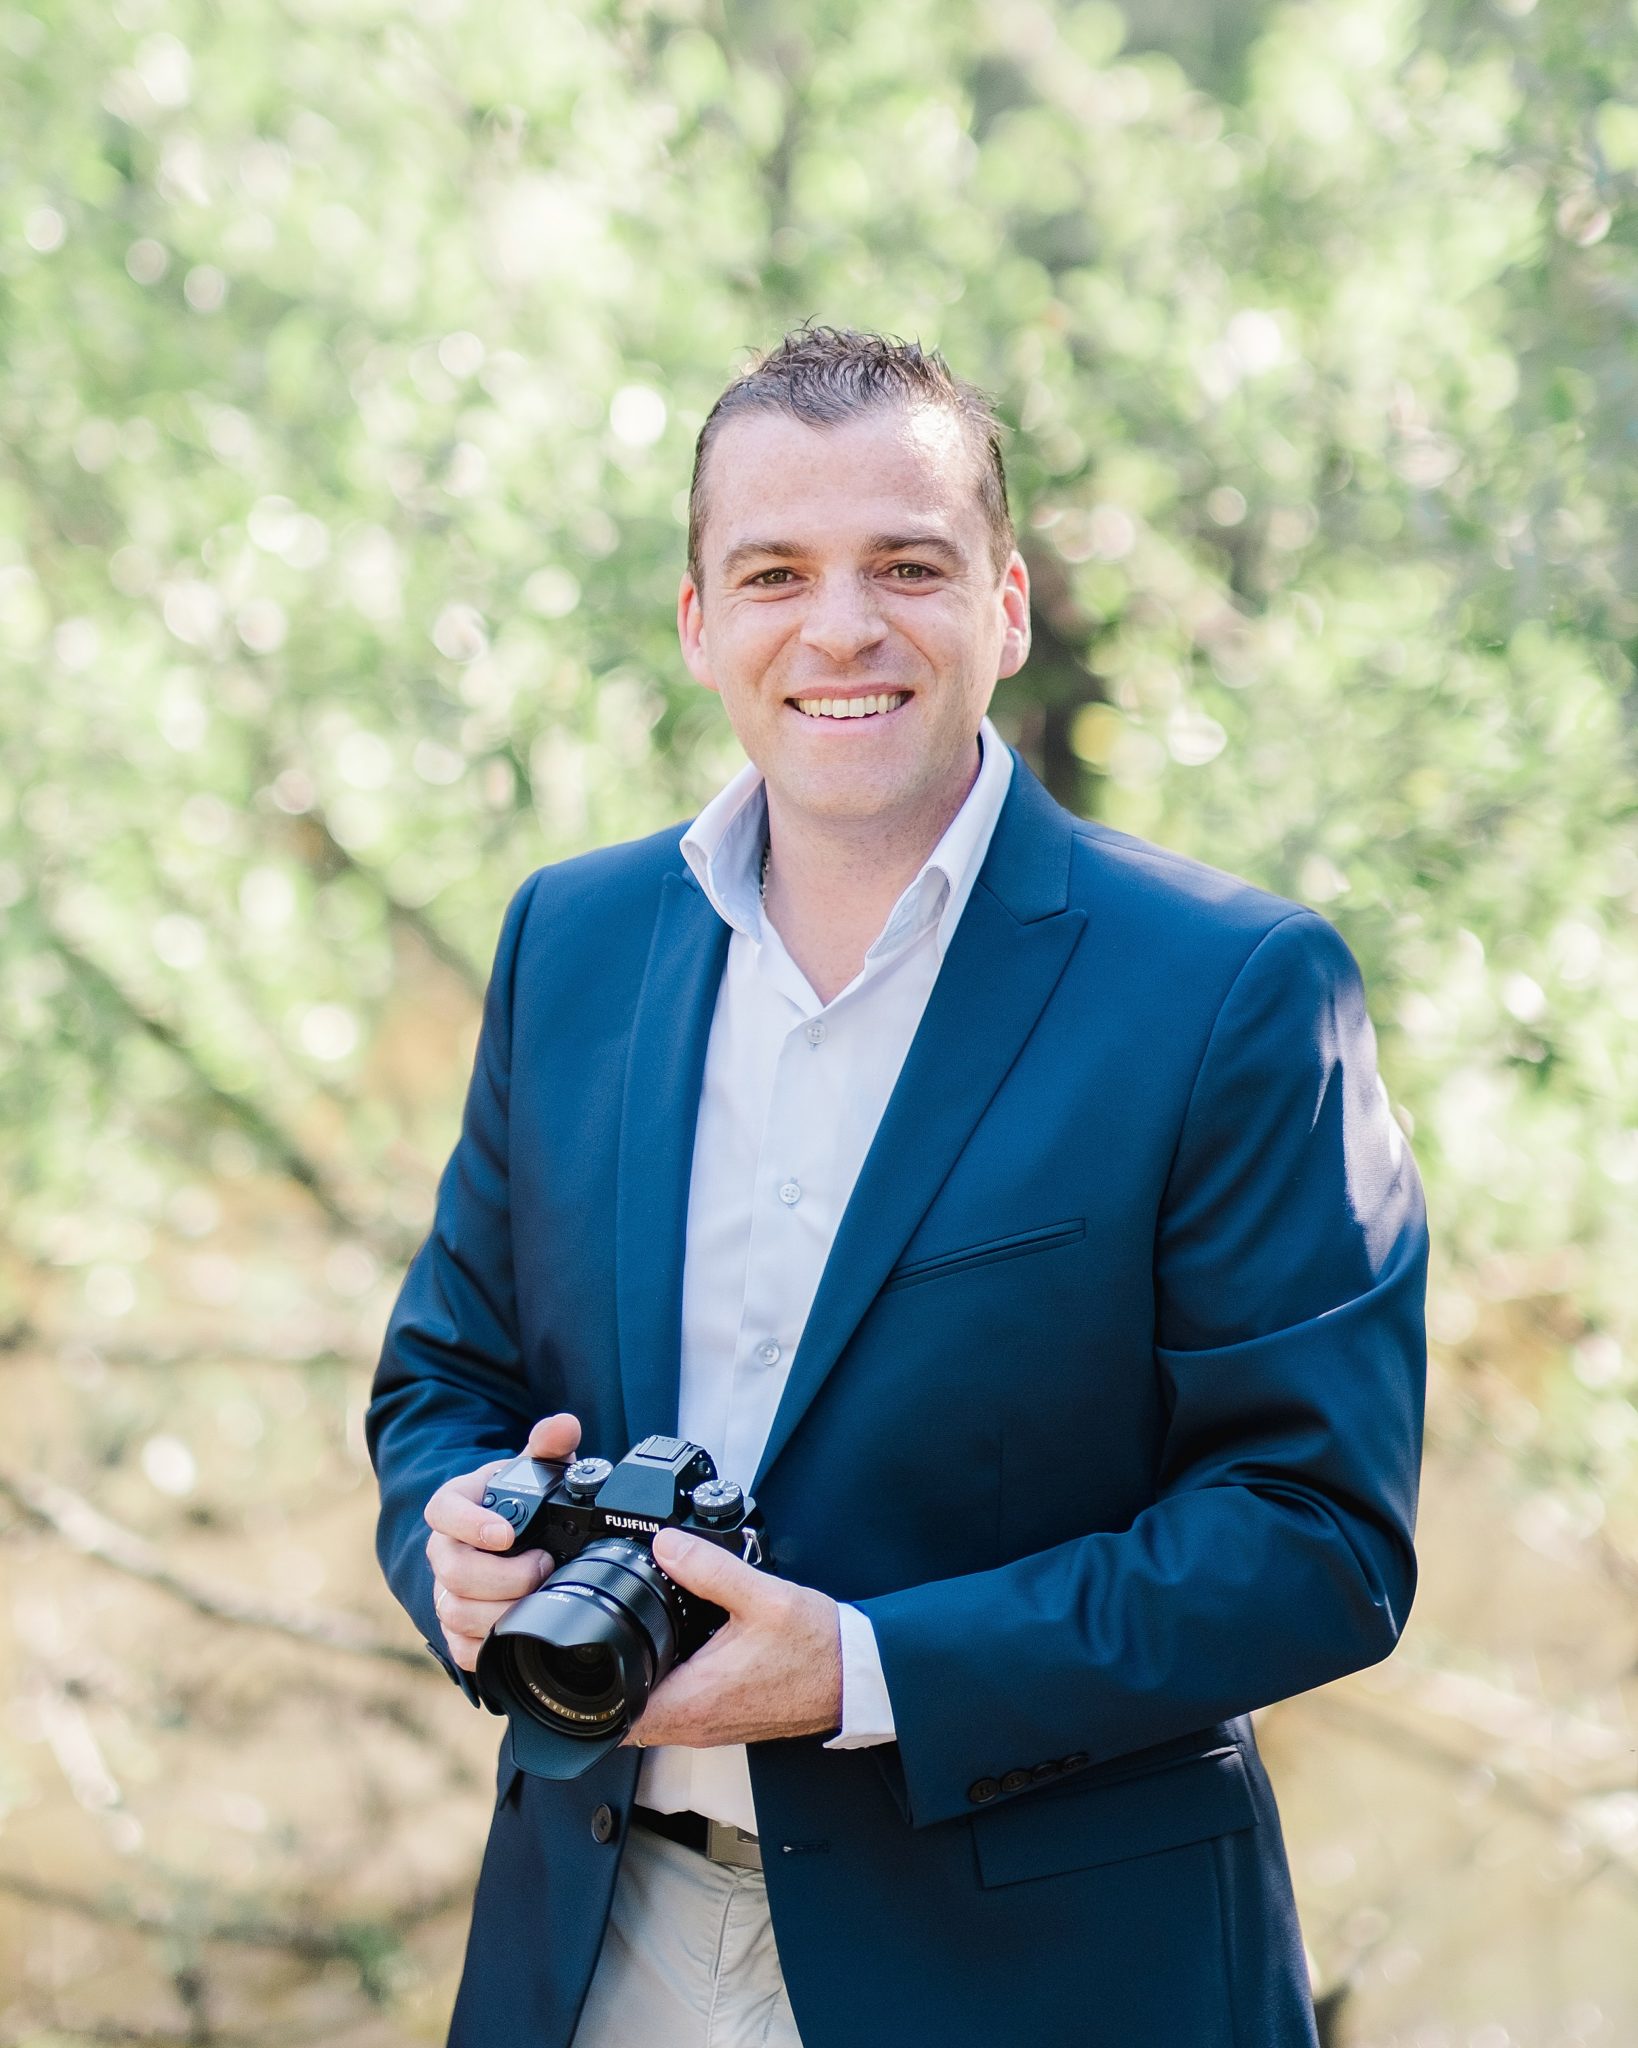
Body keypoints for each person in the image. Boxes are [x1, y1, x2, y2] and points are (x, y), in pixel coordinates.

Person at [367, 326, 1427, 2048]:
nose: (840, 629)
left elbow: (1315, 1545)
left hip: (1047, 1977)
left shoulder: (1229, 989)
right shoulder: (570, 941)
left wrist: (865, 1674)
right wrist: (465, 1549)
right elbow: (441, 1382)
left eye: (906, 567)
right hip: (594, 1935)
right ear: (700, 621)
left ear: (1002, 607)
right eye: (774, 572)